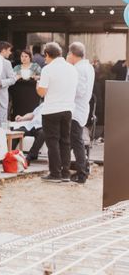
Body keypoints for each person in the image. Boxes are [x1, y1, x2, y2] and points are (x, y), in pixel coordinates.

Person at [37, 42, 78, 183]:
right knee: (65, 141)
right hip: (68, 109)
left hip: (52, 110)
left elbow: (42, 92)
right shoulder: (72, 69)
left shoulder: (47, 69)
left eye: (45, 56)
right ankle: (65, 173)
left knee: (52, 142)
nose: (44, 59)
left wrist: (37, 85)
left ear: (48, 54)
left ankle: (55, 173)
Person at [66, 42, 95, 184]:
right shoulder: (88, 67)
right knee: (75, 141)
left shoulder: (78, 69)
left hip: (76, 108)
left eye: (68, 54)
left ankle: (82, 173)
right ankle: (82, 169)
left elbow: (80, 90)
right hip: (82, 108)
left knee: (76, 142)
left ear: (72, 54)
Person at [10, 49, 42, 116]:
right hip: (19, 94)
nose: (23, 58)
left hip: (32, 94)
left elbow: (42, 76)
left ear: (30, 57)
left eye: (26, 56)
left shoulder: (35, 66)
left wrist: (37, 77)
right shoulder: (17, 68)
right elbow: (12, 78)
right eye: (22, 56)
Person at [0, 41, 16, 124]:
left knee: (1, 122)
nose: (10, 53)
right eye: (9, 50)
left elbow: (13, 79)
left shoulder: (6, 63)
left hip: (1, 95)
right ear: (3, 50)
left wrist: (1, 83)